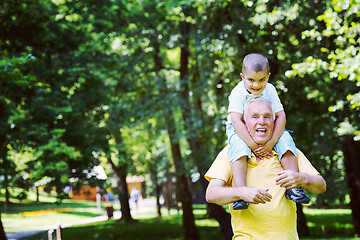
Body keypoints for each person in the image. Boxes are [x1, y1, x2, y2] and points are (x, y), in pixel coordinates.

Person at [205, 96, 326, 240]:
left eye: (267, 116)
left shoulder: (289, 153)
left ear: (275, 122)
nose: (261, 122)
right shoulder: (231, 154)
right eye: (255, 116)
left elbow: (321, 186)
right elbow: (211, 194)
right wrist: (242, 192)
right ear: (244, 123)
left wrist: (303, 178)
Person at [226, 53, 309, 210]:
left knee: (285, 139)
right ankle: (240, 192)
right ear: (242, 76)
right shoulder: (237, 93)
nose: (256, 85)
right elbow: (236, 120)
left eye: (262, 80)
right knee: (238, 147)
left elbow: (281, 116)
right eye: (251, 80)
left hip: (266, 127)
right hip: (240, 129)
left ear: (268, 77)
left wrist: (271, 143)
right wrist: (251, 144)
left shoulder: (270, 90)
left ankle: (294, 188)